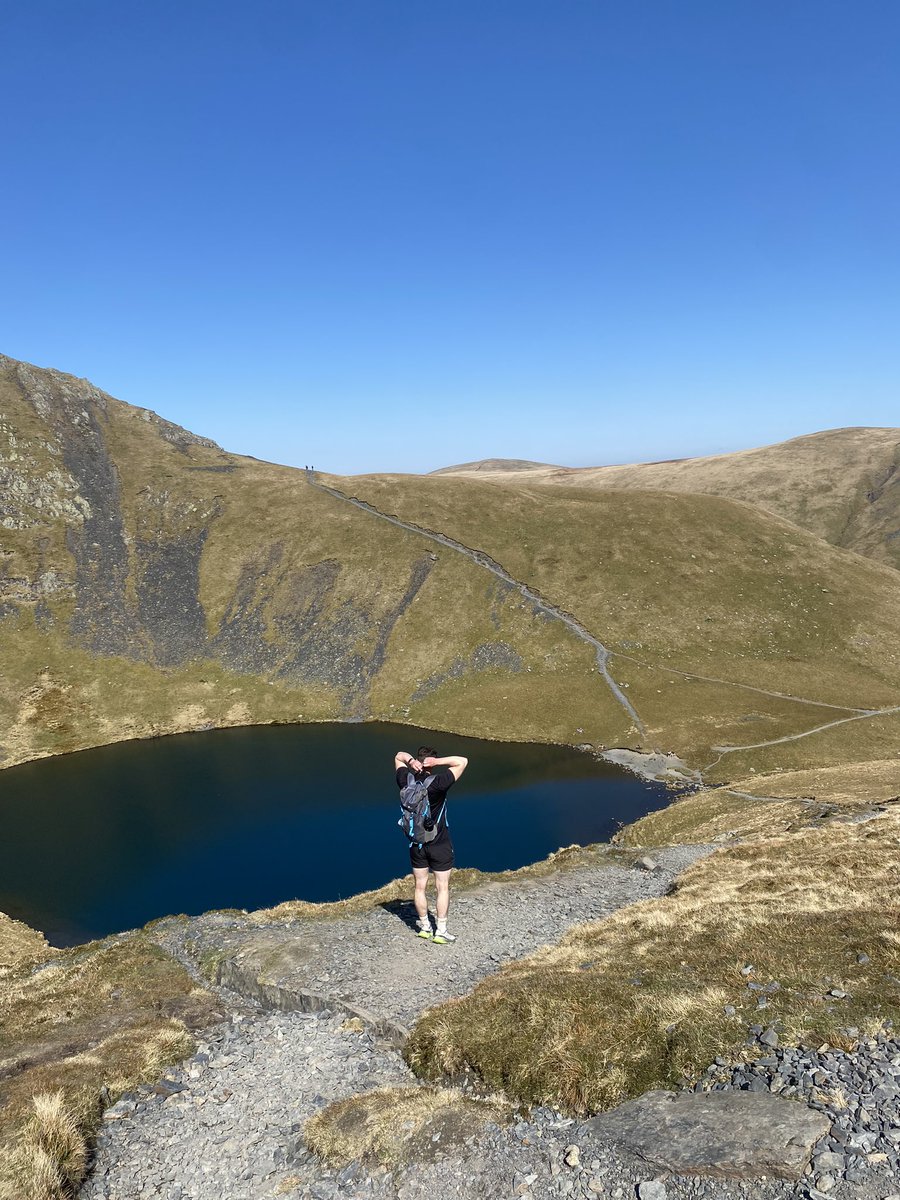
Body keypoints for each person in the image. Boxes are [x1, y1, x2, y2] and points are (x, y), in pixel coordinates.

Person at [394, 745, 468, 943]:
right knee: (442, 887)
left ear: (418, 760)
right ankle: (441, 930)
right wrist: (439, 762)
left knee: (420, 886)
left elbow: (398, 756)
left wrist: (411, 762)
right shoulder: (438, 783)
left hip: (416, 843)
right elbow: (462, 761)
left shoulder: (405, 780)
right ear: (431, 763)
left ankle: (425, 927)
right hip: (439, 842)